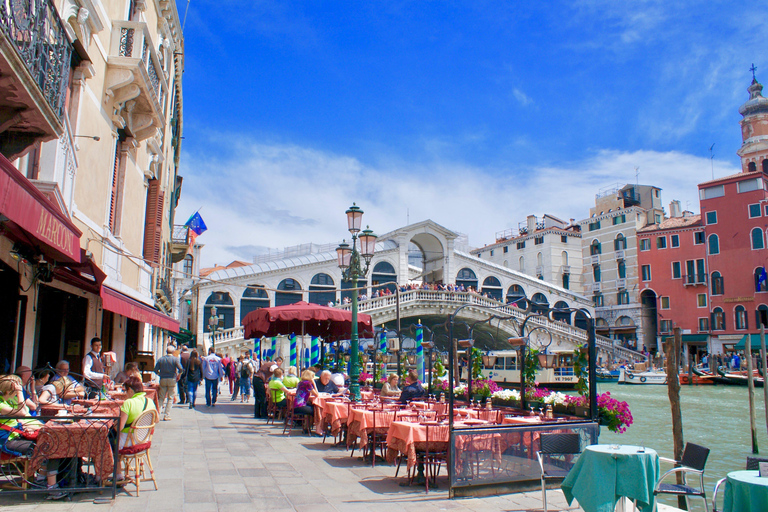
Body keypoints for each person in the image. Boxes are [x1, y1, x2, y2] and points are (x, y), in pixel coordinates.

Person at [0, 375, 63, 497]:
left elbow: (25, 412)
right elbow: (23, 413)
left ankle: (41, 479)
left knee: (51, 443)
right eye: (17, 388)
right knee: (49, 447)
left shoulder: (9, 400)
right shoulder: (1, 404)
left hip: (17, 435)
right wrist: (19, 394)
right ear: (9, 390)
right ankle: (50, 486)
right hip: (7, 441)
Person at [113, 376, 157, 484]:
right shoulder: (149, 401)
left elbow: (120, 427)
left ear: (131, 390)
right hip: (143, 440)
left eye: (125, 391)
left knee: (108, 442)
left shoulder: (129, 403)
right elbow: (157, 419)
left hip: (128, 443)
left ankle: (118, 475)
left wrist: (114, 424)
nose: (125, 394)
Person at [154, 345, 183, 421]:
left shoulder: (161, 359)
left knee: (161, 398)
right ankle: (166, 415)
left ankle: (157, 414)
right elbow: (181, 369)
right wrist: (178, 375)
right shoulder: (175, 359)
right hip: (172, 379)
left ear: (166, 351)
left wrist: (160, 374)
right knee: (170, 398)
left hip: (163, 379)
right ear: (173, 352)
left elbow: (155, 370)